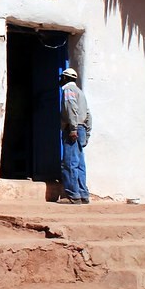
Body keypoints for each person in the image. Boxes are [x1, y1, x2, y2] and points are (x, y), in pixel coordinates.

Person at [59, 67, 91, 204]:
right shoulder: (80, 92)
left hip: (73, 129)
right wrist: (87, 133)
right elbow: (88, 114)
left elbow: (71, 109)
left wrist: (73, 129)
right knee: (79, 163)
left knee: (69, 162)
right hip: (82, 128)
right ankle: (83, 194)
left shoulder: (68, 90)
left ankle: (73, 195)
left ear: (65, 78)